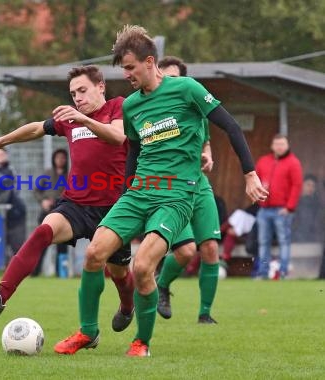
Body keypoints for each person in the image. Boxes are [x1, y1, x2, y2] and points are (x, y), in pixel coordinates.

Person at [53, 25, 267, 357]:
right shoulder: (131, 106)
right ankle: (87, 332)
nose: (125, 75)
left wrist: (250, 175)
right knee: (95, 255)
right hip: (138, 193)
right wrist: (125, 192)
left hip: (177, 194)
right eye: (122, 69)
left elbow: (231, 126)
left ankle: (142, 342)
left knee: (141, 267)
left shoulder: (187, 89)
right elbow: (134, 153)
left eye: (129, 68)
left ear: (149, 61)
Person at [0, 65, 136, 334]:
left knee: (119, 273)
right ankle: (0, 296)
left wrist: (84, 121)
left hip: (115, 208)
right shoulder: (71, 118)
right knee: (43, 231)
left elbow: (118, 137)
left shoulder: (118, 106)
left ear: (100, 86)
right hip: (76, 203)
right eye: (73, 93)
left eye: (82, 90)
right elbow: (35, 128)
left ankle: (128, 306)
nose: (77, 98)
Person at [152, 56, 222, 325]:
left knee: (211, 248)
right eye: (165, 77)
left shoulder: (195, 108)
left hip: (198, 182)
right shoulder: (150, 111)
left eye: (176, 78)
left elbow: (205, 143)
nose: (170, 83)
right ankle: (162, 285)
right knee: (185, 251)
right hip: (169, 187)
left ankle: (205, 314)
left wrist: (208, 155)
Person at [255, 134, 303, 279]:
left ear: (287, 145)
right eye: (277, 144)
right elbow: (255, 180)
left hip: (282, 210)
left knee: (284, 241)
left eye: (282, 144)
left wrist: (289, 207)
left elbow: (297, 185)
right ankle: (263, 273)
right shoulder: (263, 161)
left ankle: (283, 273)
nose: (279, 147)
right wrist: (258, 199)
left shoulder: (293, 162)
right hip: (264, 209)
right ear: (272, 146)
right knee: (263, 242)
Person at [33, 148, 69, 276]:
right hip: (47, 212)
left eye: (63, 158)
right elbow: (37, 190)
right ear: (54, 159)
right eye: (58, 157)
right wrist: (43, 201)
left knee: (63, 245)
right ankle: (35, 272)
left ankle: (62, 274)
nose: (60, 160)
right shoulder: (47, 173)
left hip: (63, 213)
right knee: (41, 243)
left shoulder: (70, 175)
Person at [0, 148, 27, 262]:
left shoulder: (10, 171)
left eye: (2, 154)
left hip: (14, 214)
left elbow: (7, 195)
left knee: (17, 245)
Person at [292, 174, 321, 243]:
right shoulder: (294, 201)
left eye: (313, 186)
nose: (311, 188)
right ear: (302, 185)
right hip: (295, 238)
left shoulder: (316, 203)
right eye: (308, 185)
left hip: (311, 239)